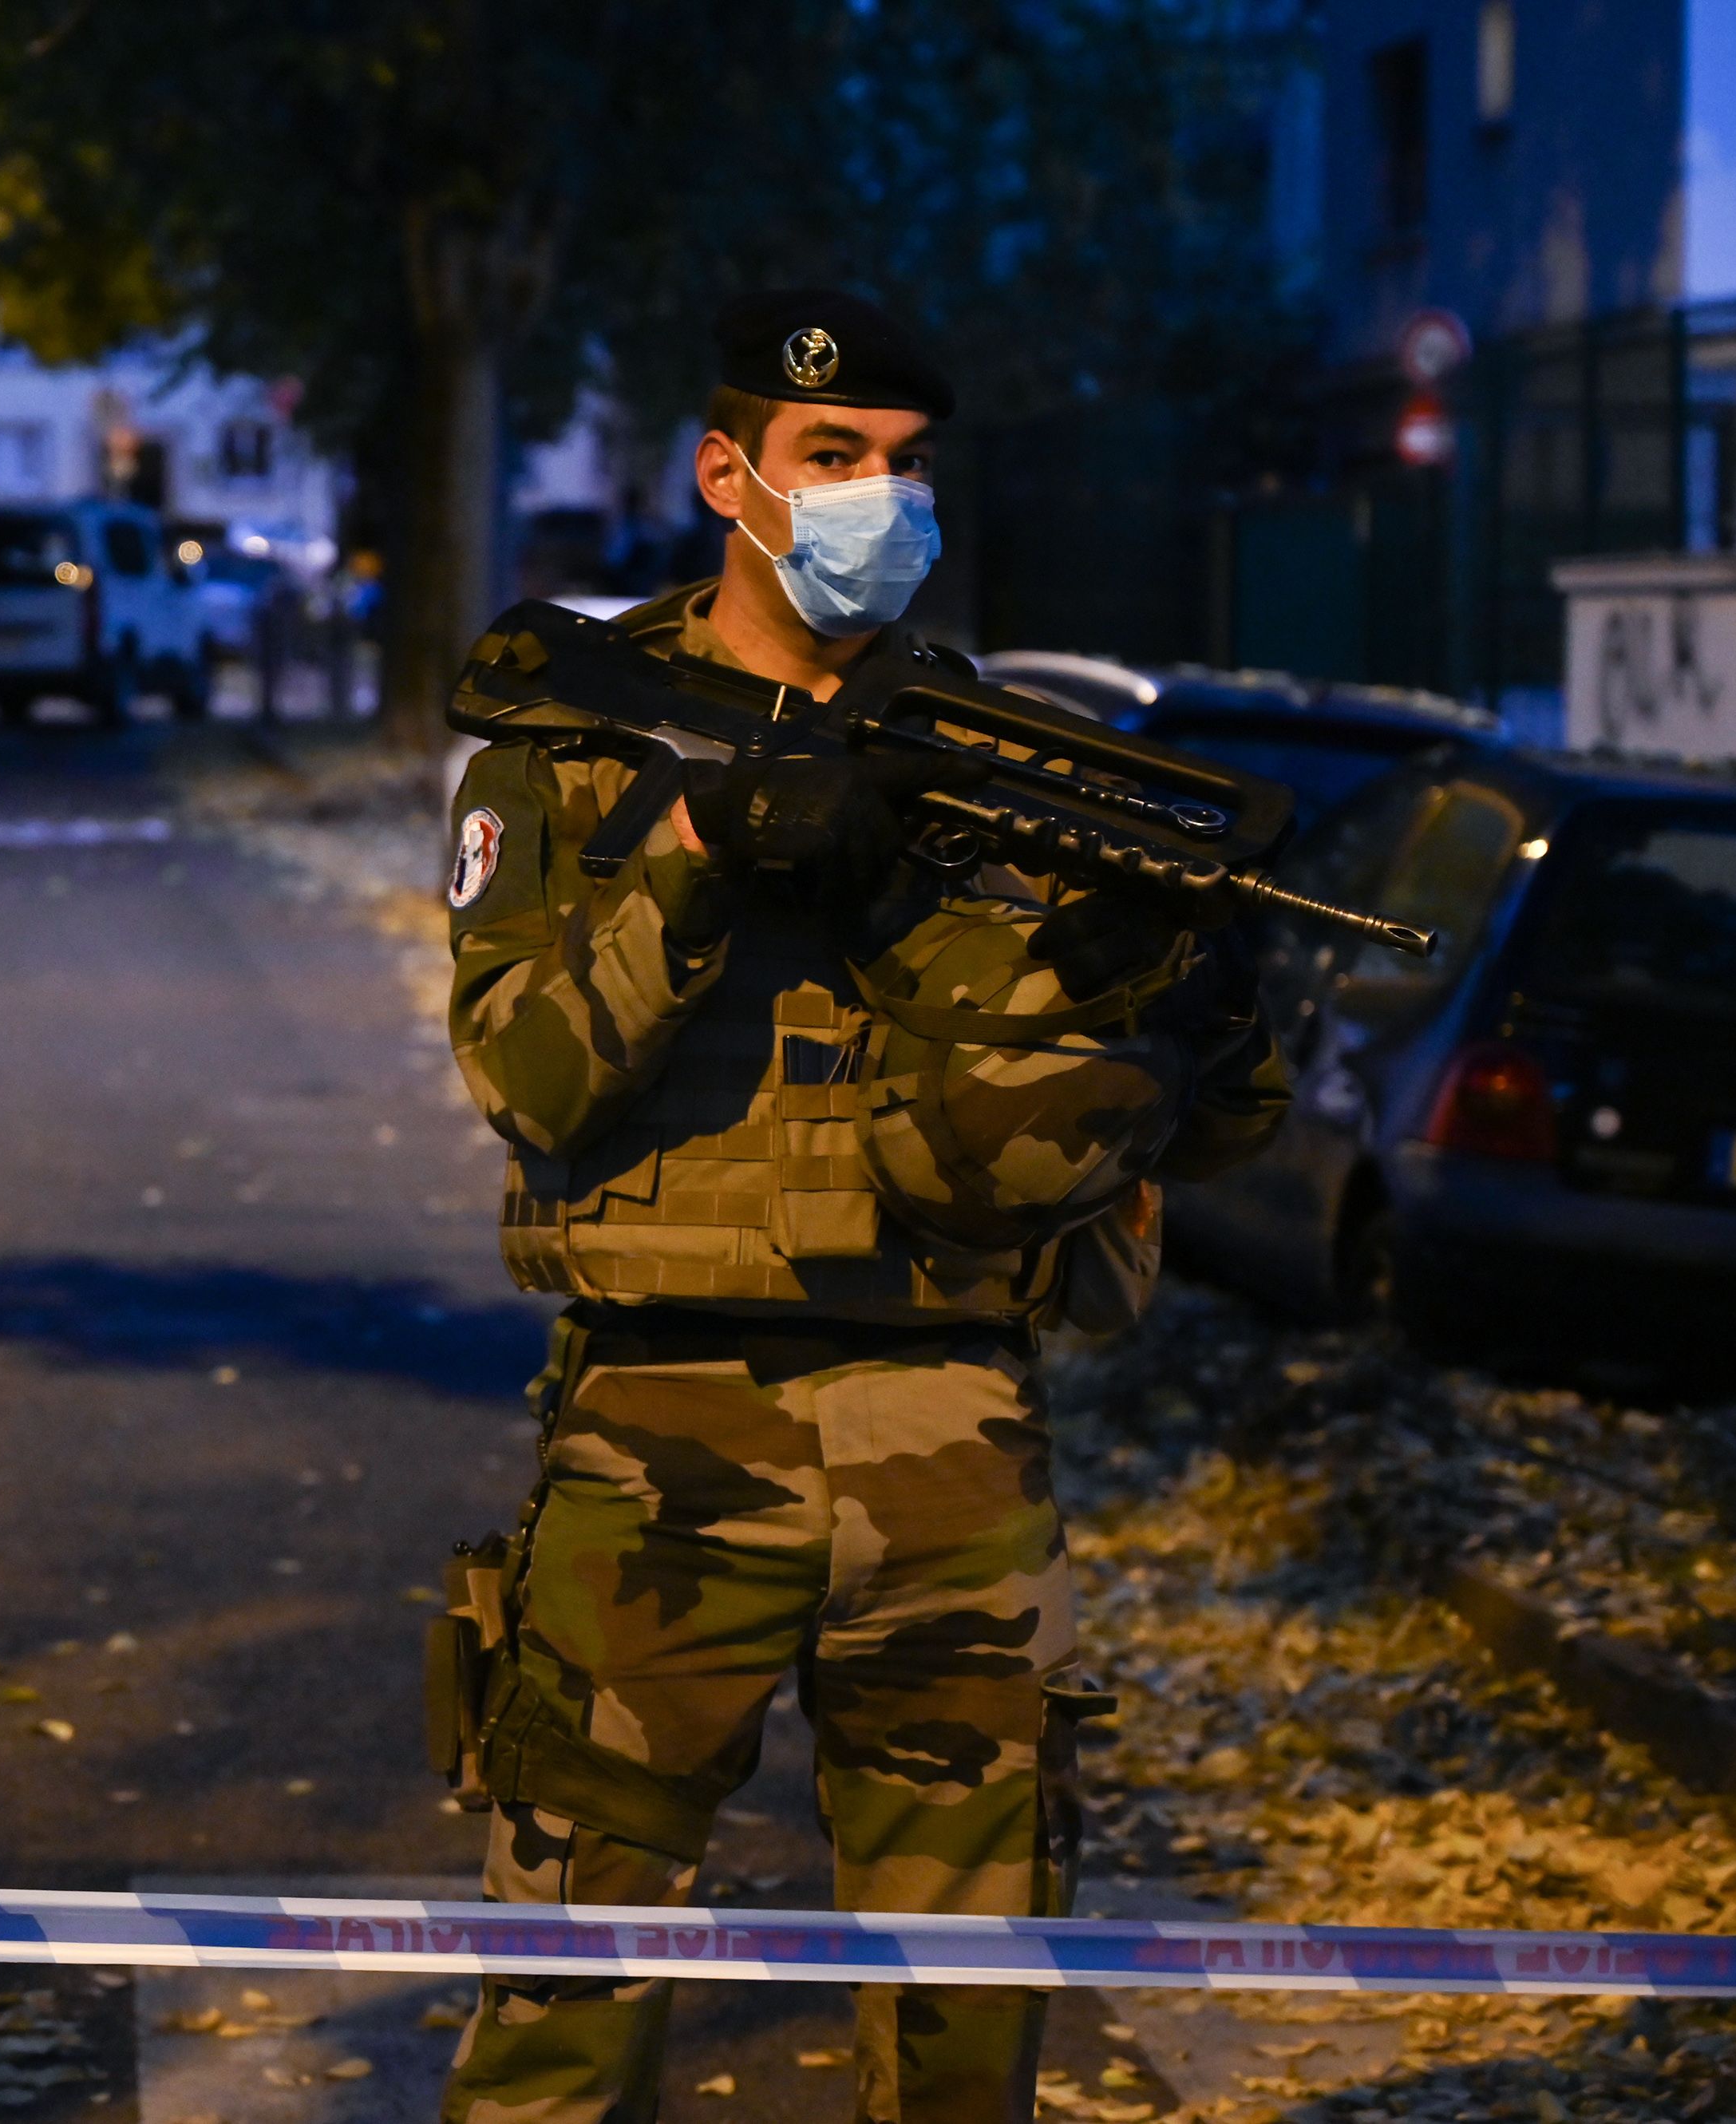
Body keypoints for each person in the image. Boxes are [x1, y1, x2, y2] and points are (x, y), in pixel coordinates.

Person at [434, 287, 1289, 2124]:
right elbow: (522, 1075)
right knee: (565, 2005)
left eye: (904, 470)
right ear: (729, 473)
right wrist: (698, 846)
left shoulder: (1017, 771)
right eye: (835, 462)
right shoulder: (579, 745)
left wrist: (1199, 1017)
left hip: (952, 1433)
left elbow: (1184, 1139)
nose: (877, 504)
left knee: (967, 2018)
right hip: (663, 1425)